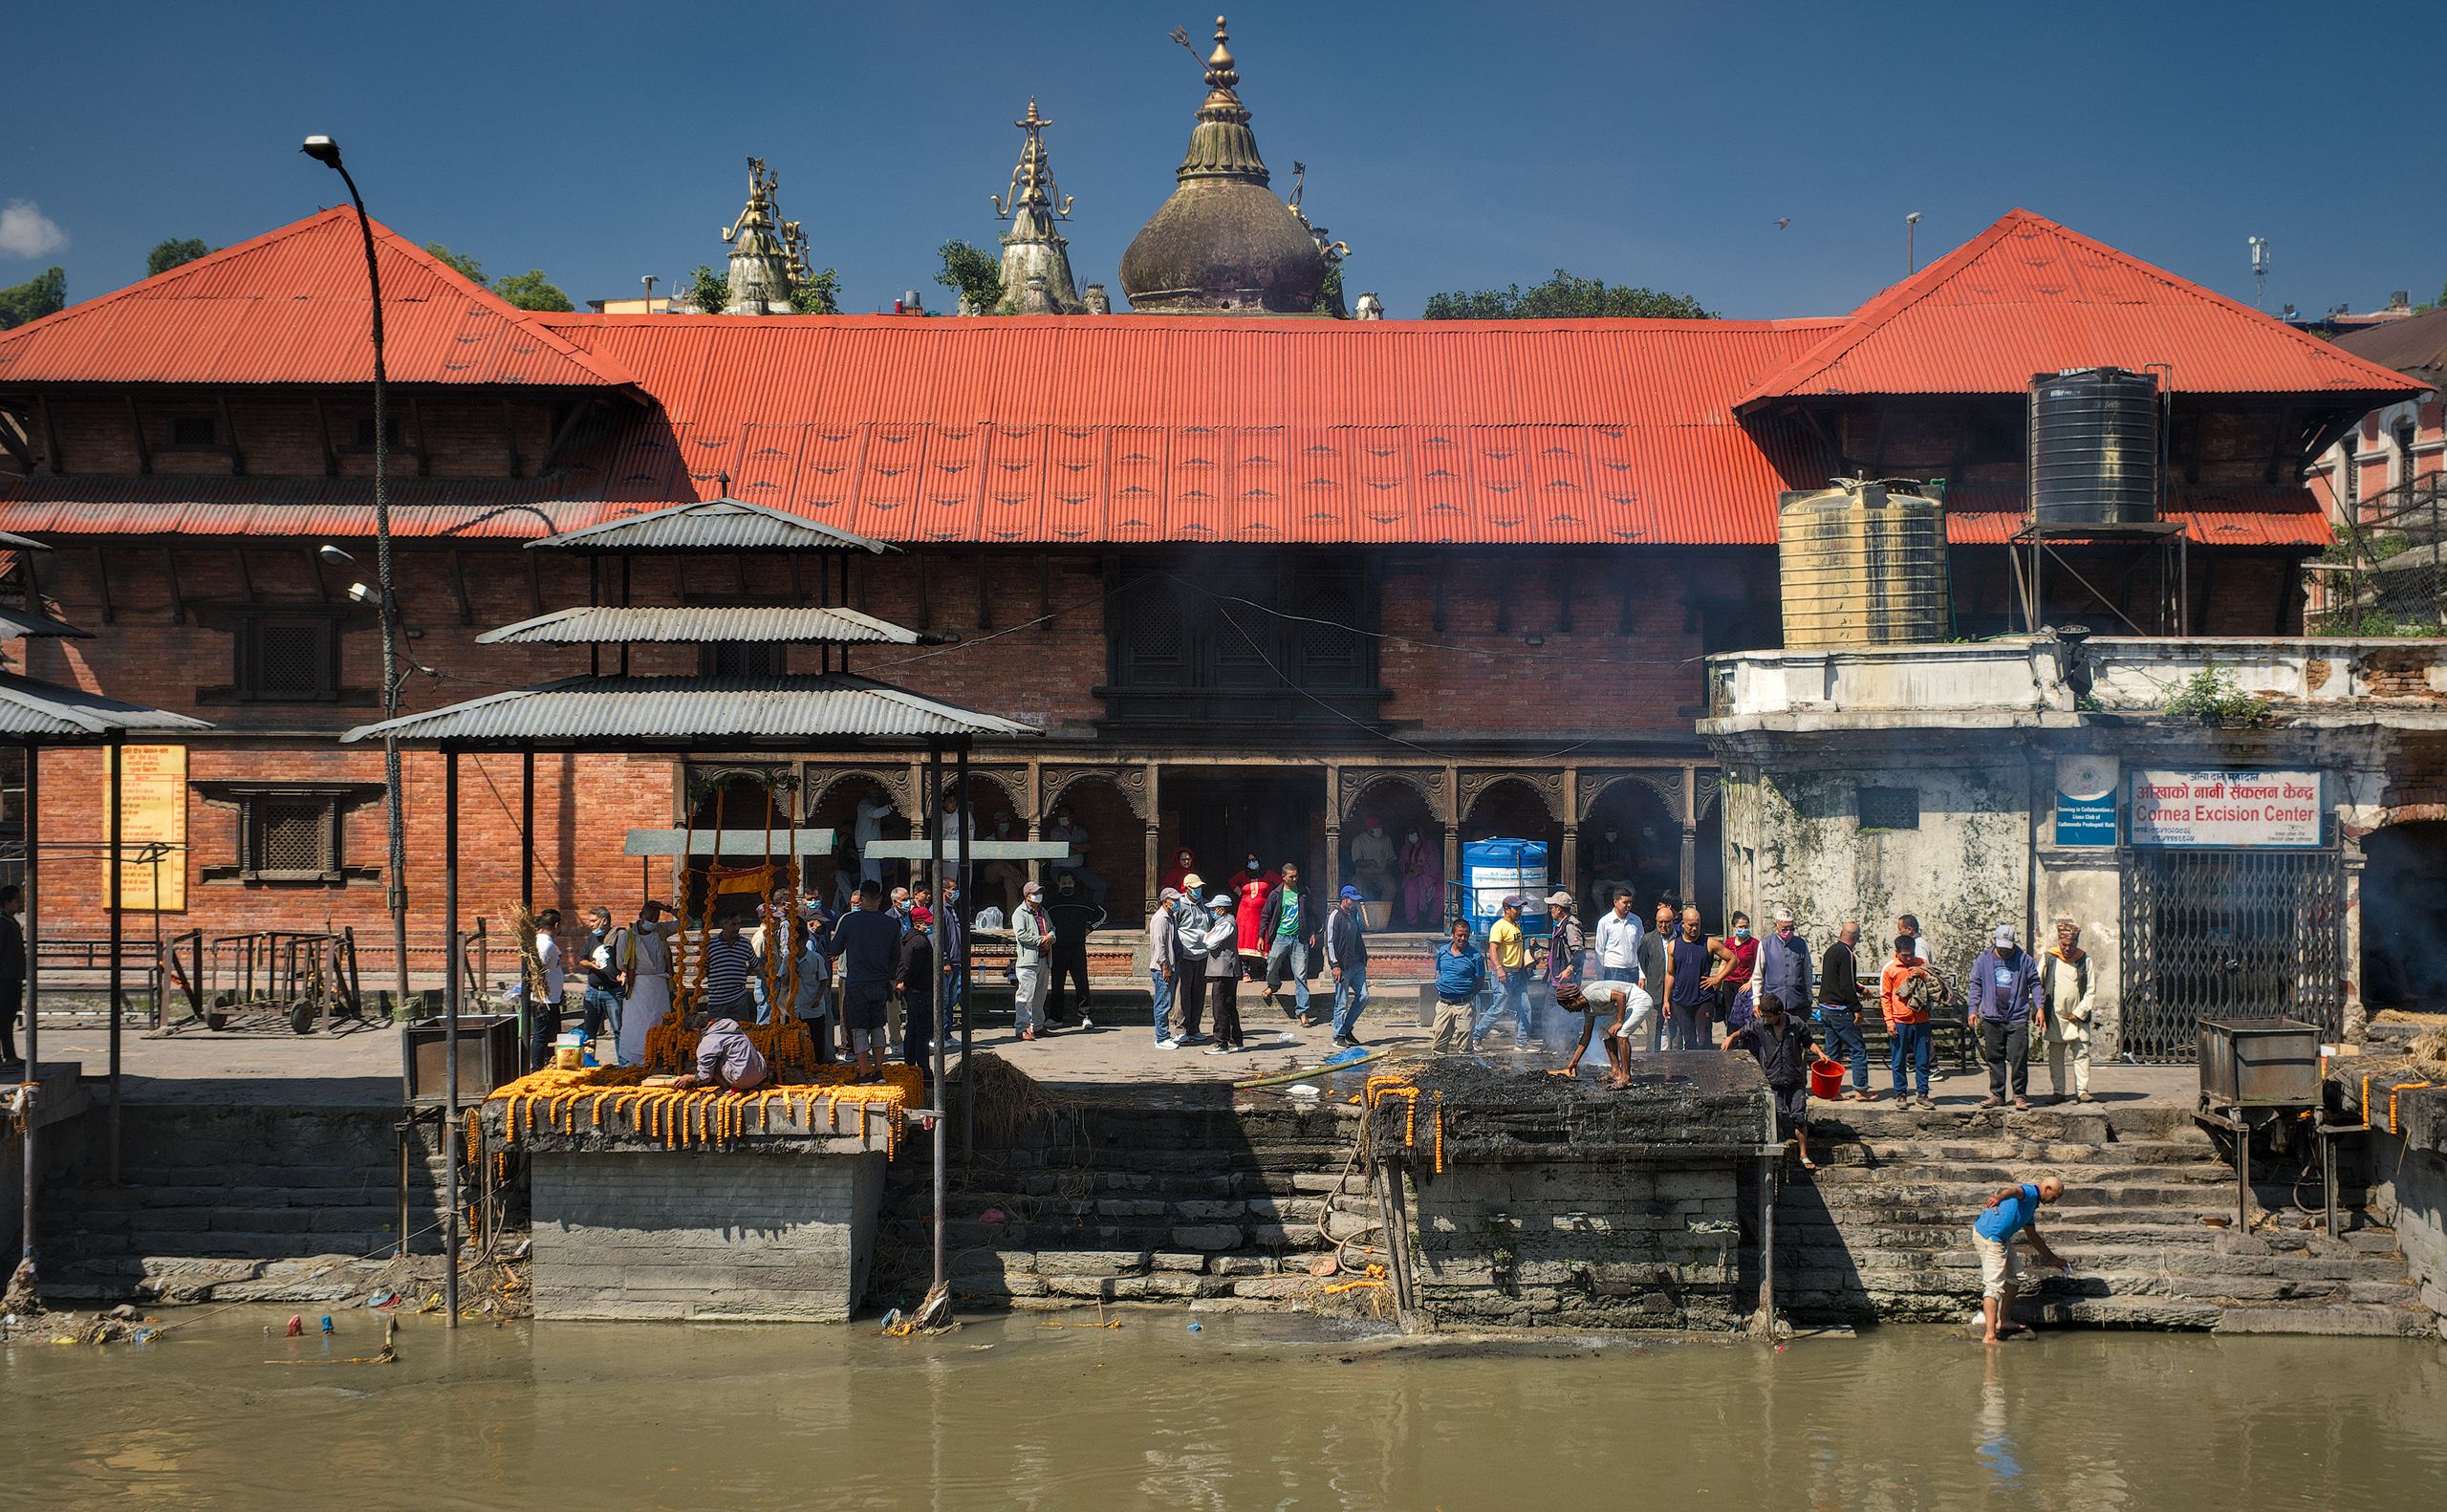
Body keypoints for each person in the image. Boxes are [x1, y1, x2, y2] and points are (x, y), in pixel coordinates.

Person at [1724, 987, 1833, 1171]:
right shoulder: (1760, 1025)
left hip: (1795, 1078)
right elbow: (1743, 1031)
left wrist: (1820, 1053)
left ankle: (1804, 1154)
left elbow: (1808, 1041)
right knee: (1778, 1115)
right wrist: (1730, 1038)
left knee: (1799, 1116)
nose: (1766, 1019)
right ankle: (1780, 1154)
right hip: (1773, 1078)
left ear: (1779, 1014)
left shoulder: (1796, 1024)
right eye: (1765, 1016)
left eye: (1769, 1016)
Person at [1973, 1176, 2068, 1344]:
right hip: (1990, 1237)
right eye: (2054, 1197)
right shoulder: (2030, 1192)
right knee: (1993, 1286)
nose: (2053, 1202)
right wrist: (1998, 1198)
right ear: (2046, 1189)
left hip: (2001, 1239)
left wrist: (2053, 1259)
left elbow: (2033, 1237)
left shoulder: (2030, 1206)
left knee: (2016, 1277)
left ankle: (2004, 1321)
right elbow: (2015, 1190)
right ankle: (1989, 1336)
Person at [824, 880, 901, 1084]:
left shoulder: (850, 921)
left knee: (858, 1028)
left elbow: (834, 948)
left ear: (862, 898)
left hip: (857, 982)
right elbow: (896, 957)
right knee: (878, 1026)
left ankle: (864, 1071)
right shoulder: (890, 924)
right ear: (880, 899)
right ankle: (878, 1070)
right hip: (881, 981)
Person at [1968, 924, 2044, 1111]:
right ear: (1994, 942)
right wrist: (1972, 1009)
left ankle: (2019, 1094)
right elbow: (1975, 984)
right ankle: (1997, 1094)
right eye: (2001, 946)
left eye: (2007, 947)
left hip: (2017, 1016)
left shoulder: (2024, 960)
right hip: (1992, 1016)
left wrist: (2039, 1007)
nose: (2004, 950)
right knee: (1994, 1057)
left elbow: (2035, 982)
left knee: (2019, 1057)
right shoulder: (1984, 960)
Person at [1547, 892, 1611, 1081]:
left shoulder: (1571, 926)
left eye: (1552, 906)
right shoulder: (1559, 925)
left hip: (1566, 982)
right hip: (1556, 979)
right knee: (1551, 1013)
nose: (1550, 909)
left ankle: (1573, 1051)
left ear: (1559, 909)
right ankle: (1560, 1049)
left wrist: (1570, 968)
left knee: (1568, 1015)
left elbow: (1579, 952)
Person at [1815, 919, 1875, 1101]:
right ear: (1855, 938)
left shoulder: (1831, 951)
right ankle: (1861, 1090)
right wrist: (1857, 1008)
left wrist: (1861, 989)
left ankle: (1833, 1092)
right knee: (1858, 1049)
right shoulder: (1847, 954)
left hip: (1825, 1008)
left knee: (1833, 1052)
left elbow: (1838, 979)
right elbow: (1846, 984)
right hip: (1839, 1009)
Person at [618, 899, 679, 1069]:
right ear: (640, 916)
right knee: (637, 1025)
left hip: (659, 986)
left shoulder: (662, 930)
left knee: (659, 1022)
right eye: (650, 918)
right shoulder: (627, 937)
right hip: (637, 986)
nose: (653, 922)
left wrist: (667, 909)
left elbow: (686, 921)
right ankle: (634, 1062)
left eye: (656, 919)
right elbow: (620, 963)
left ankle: (660, 1058)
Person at [2042, 919, 2095, 1104]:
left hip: (2077, 1017)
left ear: (2076, 943)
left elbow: (2091, 990)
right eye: (2064, 945)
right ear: (2059, 942)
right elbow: (2037, 983)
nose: (2067, 949)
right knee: (2056, 1054)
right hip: (2056, 1016)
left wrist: (2081, 1011)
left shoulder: (2084, 959)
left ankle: (2082, 1091)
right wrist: (2039, 1009)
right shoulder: (2049, 958)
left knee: (2082, 1053)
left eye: (2071, 945)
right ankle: (2058, 1091)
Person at [1472, 896, 1536, 1051]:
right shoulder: (1499, 927)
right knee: (1499, 1008)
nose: (1519, 911)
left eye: (1520, 908)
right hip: (1505, 973)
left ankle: (1521, 1043)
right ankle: (1477, 1036)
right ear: (1507, 909)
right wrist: (1499, 968)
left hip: (1518, 973)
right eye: (1516, 908)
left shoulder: (1516, 926)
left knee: (1525, 1007)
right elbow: (1493, 949)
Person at [1882, 934, 1938, 1108]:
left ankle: (1923, 1093)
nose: (1908, 958)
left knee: (1922, 1058)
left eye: (1911, 954)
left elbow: (1936, 984)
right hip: (1900, 1021)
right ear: (1897, 952)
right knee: (1898, 1059)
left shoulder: (1922, 964)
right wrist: (1889, 1022)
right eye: (1905, 955)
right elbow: (1885, 997)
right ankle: (1901, 1093)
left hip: (1921, 1019)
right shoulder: (1890, 969)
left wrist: (1922, 974)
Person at [1260, 861, 1317, 1024]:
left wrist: (1312, 932)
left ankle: (1302, 1011)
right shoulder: (1276, 894)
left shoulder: (1304, 892)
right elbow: (1266, 915)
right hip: (1281, 936)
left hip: (1300, 938)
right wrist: (1260, 936)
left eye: (1296, 876)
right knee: (1272, 963)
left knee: (1300, 975)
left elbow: (1311, 913)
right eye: (1291, 877)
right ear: (1283, 877)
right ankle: (1273, 984)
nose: (1295, 879)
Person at [1045, 871, 1104, 1029]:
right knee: (1057, 984)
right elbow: (1041, 918)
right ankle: (1055, 1017)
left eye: (1069, 882)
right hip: (1057, 948)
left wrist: (1089, 928)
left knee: (1081, 983)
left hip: (1077, 947)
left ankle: (1085, 1015)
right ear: (1059, 884)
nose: (1066, 885)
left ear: (1074, 883)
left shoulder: (1083, 901)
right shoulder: (1051, 903)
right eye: (1063, 882)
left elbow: (1102, 914)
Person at [1427, 919, 1488, 1053]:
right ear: (1452, 934)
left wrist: (1468, 995)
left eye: (1466, 935)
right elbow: (1440, 972)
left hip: (1464, 1005)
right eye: (1459, 935)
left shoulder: (1476, 957)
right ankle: (1438, 1069)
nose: (1463, 938)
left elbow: (1479, 981)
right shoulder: (1443, 952)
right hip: (1444, 1005)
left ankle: (1466, 1070)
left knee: (1465, 1047)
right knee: (1438, 1044)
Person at [578, 906, 628, 1065]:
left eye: (594, 921)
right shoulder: (591, 938)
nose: (590, 924)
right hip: (593, 991)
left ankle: (623, 1063)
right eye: (589, 921)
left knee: (618, 1029)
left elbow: (626, 959)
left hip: (613, 992)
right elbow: (582, 959)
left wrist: (624, 973)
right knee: (590, 1031)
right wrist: (591, 965)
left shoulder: (619, 936)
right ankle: (589, 1062)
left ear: (604, 921)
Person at [674, 1014, 771, 1094]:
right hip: (759, 1075)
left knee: (712, 1062)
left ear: (696, 1031)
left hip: (740, 1079)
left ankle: (728, 1087)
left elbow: (704, 1077)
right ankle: (748, 1083)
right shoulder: (730, 1025)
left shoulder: (708, 1041)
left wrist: (689, 1078)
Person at [1323, 884, 1370, 1048]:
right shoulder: (1335, 915)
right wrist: (1335, 965)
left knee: (1363, 997)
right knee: (1341, 1001)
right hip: (1342, 966)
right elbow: (1329, 942)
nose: (1354, 903)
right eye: (1352, 900)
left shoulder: (1352, 915)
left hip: (1356, 964)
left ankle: (1347, 1027)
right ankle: (1338, 1035)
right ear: (1344, 899)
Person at [1201, 891, 1245, 1054]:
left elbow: (1210, 942)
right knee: (1228, 1005)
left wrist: (1208, 936)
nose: (1213, 911)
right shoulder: (1224, 922)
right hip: (1225, 969)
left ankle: (1221, 1042)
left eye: (1215, 908)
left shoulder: (1226, 923)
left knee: (1220, 1007)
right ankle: (1235, 1039)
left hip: (1224, 970)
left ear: (1221, 909)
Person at [791, 901, 835, 1065]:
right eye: (820, 923)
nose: (823, 926)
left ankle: (822, 1059)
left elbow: (823, 979)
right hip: (804, 1001)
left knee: (819, 1034)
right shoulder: (808, 944)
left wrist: (819, 995)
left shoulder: (817, 943)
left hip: (816, 999)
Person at [1170, 873, 1211, 1045]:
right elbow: (1173, 928)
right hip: (1185, 955)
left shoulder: (1206, 905)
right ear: (1187, 888)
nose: (1198, 891)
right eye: (1195, 888)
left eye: (1200, 888)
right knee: (1183, 993)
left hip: (1203, 955)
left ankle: (1195, 1027)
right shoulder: (1179, 905)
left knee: (1198, 993)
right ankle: (1181, 1028)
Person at [1666, 906, 1715, 1051]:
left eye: (1697, 925)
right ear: (1683, 925)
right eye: (1691, 925)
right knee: (1688, 1039)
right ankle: (1691, 1070)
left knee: (1704, 1038)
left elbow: (1732, 959)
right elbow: (1670, 974)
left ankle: (1708, 1070)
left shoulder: (1709, 942)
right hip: (1681, 999)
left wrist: (1717, 978)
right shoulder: (1673, 945)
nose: (1694, 928)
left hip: (1703, 998)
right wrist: (1666, 1000)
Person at [697, 913, 759, 1025]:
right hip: (718, 1000)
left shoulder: (745, 944)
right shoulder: (711, 945)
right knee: (716, 1032)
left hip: (739, 998)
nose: (737, 928)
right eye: (733, 924)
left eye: (739, 924)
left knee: (741, 1030)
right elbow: (704, 969)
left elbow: (754, 963)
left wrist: (742, 975)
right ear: (723, 925)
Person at [1011, 880, 1053, 1042]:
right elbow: (1021, 934)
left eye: (1039, 892)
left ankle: (1038, 1025)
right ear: (1027, 895)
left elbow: (1052, 928)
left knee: (1039, 996)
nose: (1038, 896)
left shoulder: (1043, 912)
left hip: (1044, 958)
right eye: (1035, 893)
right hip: (1028, 960)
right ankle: (1021, 1028)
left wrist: (1051, 937)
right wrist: (1040, 940)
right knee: (1025, 997)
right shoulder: (1020, 913)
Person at [899, 903, 939, 1071]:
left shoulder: (910, 938)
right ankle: (923, 1067)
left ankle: (910, 1063)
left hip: (915, 992)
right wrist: (905, 983)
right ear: (918, 924)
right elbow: (911, 969)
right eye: (927, 923)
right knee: (922, 1032)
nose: (930, 926)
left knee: (913, 1029)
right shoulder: (920, 942)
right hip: (921, 991)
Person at [1704, 911, 1759, 1031]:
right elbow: (1724, 963)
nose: (1743, 929)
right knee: (1730, 1015)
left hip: (1745, 984)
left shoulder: (1754, 944)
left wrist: (1750, 983)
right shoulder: (1729, 942)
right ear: (1734, 928)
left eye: (1746, 926)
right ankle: (1731, 1040)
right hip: (1729, 983)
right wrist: (1718, 981)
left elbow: (1758, 966)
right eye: (1740, 927)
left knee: (1745, 1015)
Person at [529, 908, 567, 1070]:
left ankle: (547, 1063)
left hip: (552, 997)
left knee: (550, 1034)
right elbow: (538, 968)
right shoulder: (544, 944)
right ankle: (537, 1067)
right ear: (556, 925)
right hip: (544, 999)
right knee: (541, 1035)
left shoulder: (546, 943)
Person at [1046, 806, 1107, 909]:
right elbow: (1061, 851)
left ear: (1072, 816)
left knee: (1101, 885)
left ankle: (1096, 913)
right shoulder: (1056, 832)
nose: (1062, 817)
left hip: (1078, 869)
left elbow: (1089, 847)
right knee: (1066, 886)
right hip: (1059, 869)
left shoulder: (1080, 831)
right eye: (1060, 815)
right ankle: (1063, 913)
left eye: (1065, 814)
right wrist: (1079, 847)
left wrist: (1069, 845)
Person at [1149, 888, 1183, 1048]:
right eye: (1173, 900)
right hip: (1162, 967)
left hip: (1171, 964)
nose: (1176, 903)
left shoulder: (1171, 917)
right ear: (1165, 901)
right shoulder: (1160, 919)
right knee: (1162, 1003)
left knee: (1167, 1002)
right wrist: (1165, 966)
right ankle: (1161, 1037)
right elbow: (1160, 945)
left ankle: (1163, 1035)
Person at [1593, 889, 1644, 992]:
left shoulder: (1636, 921)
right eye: (1625, 902)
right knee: (1614, 1005)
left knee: (1631, 1003)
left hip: (1633, 970)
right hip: (1613, 970)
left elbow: (1641, 948)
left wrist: (1642, 974)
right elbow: (1599, 949)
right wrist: (1600, 975)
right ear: (1615, 902)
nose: (1628, 905)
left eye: (1630, 902)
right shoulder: (1605, 922)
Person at [0, 884, 26, 1071]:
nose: (20, 904)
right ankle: (8, 1055)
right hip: (4, 978)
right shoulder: (2, 923)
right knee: (4, 1017)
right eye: (17, 901)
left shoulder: (11, 922)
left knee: (8, 1017)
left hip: (12, 977)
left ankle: (9, 1055)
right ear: (8, 902)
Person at [1397, 828, 1440, 930]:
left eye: (1414, 833)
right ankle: (1412, 921)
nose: (1412, 836)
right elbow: (1403, 864)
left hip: (1433, 878)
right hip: (1413, 877)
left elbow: (1435, 864)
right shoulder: (1407, 848)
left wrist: (1422, 870)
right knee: (1410, 888)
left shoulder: (1430, 846)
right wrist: (1411, 867)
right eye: (1410, 834)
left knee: (1441, 893)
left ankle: (1433, 922)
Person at [1349, 816, 1397, 903]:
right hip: (1363, 874)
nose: (1378, 829)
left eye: (1379, 827)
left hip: (1381, 873)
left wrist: (1390, 861)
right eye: (1375, 827)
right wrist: (1369, 862)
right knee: (1357, 887)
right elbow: (1356, 862)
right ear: (1368, 828)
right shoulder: (1359, 840)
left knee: (1391, 887)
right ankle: (1362, 914)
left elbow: (1391, 857)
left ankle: (1381, 912)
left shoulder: (1386, 839)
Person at [854, 794, 897, 887]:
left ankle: (863, 900)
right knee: (874, 881)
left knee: (866, 881)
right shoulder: (864, 803)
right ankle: (872, 900)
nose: (876, 791)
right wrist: (892, 806)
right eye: (873, 788)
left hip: (869, 846)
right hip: (868, 847)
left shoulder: (872, 802)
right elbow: (874, 813)